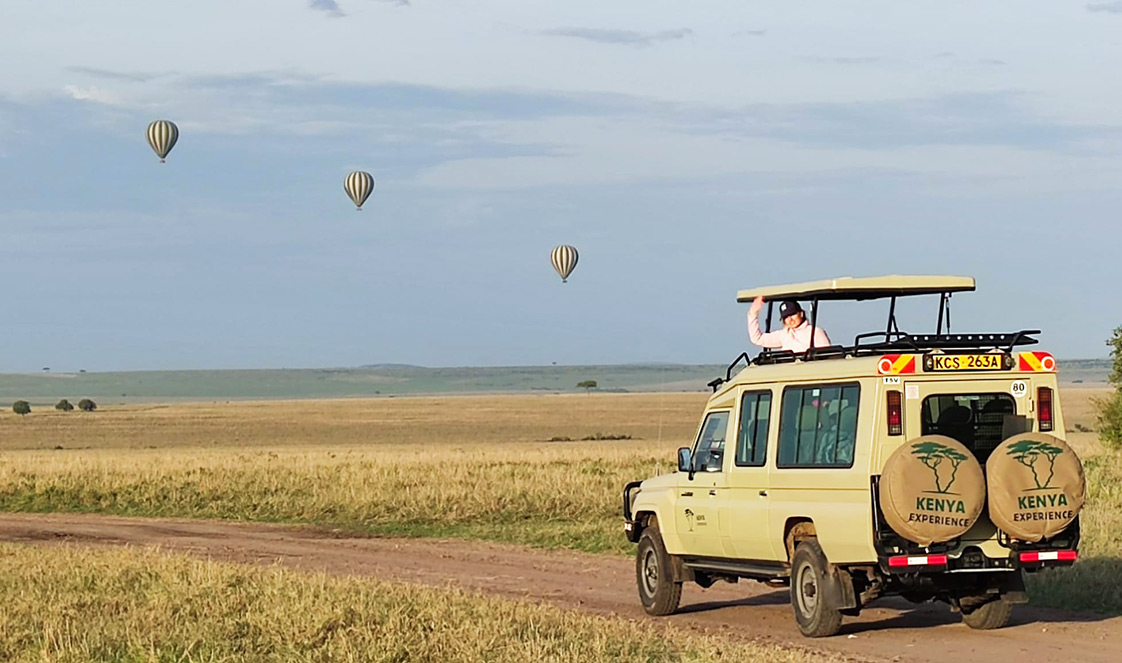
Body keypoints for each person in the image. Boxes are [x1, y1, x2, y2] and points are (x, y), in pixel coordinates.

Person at [748, 296, 831, 353]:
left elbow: (827, 356)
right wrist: (753, 314)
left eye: (793, 314)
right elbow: (757, 339)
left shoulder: (815, 332)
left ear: (801, 314)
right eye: (786, 317)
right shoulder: (784, 335)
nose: (790, 319)